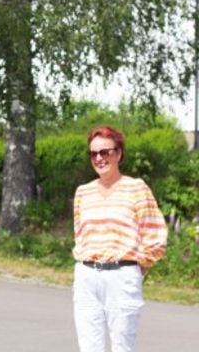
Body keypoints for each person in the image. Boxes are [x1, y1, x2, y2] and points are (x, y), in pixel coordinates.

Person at [72, 125, 168, 352]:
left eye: (105, 152)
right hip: (86, 276)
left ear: (119, 153)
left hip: (122, 276)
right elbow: (80, 235)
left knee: (123, 347)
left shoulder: (136, 188)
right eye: (93, 153)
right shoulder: (83, 192)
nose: (99, 158)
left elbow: (155, 235)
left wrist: (135, 270)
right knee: (89, 348)